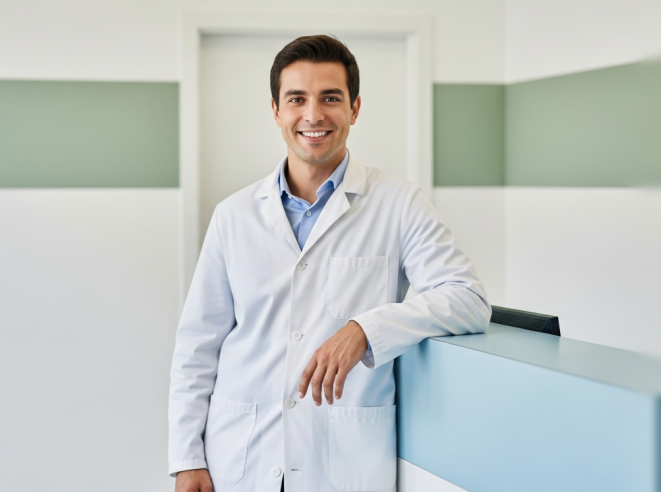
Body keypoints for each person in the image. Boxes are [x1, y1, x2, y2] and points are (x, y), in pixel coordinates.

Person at [169, 34, 490, 492]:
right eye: (296, 99)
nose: (313, 114)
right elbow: (197, 347)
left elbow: (468, 299)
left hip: (341, 463)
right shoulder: (233, 215)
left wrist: (364, 330)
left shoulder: (399, 203)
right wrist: (187, 459)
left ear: (354, 109)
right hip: (241, 458)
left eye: (331, 98)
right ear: (276, 111)